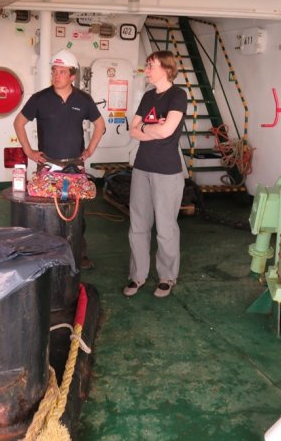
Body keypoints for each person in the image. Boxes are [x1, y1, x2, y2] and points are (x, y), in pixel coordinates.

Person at [13, 49, 105, 269]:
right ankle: (46, 255)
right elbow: (19, 123)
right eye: (54, 71)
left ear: (72, 76)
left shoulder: (83, 100)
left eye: (62, 72)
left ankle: (78, 255)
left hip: (75, 164)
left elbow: (100, 125)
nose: (56, 76)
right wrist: (29, 151)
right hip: (48, 165)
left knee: (76, 214)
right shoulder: (40, 99)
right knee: (46, 212)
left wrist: (90, 149)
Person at [123, 50, 187, 298]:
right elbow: (132, 130)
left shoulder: (177, 95)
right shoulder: (148, 96)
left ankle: (167, 276)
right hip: (142, 167)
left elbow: (167, 131)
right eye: (147, 65)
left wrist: (147, 128)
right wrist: (154, 127)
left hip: (167, 172)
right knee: (137, 225)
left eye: (151, 66)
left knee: (165, 227)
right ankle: (137, 276)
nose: (147, 70)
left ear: (166, 69)